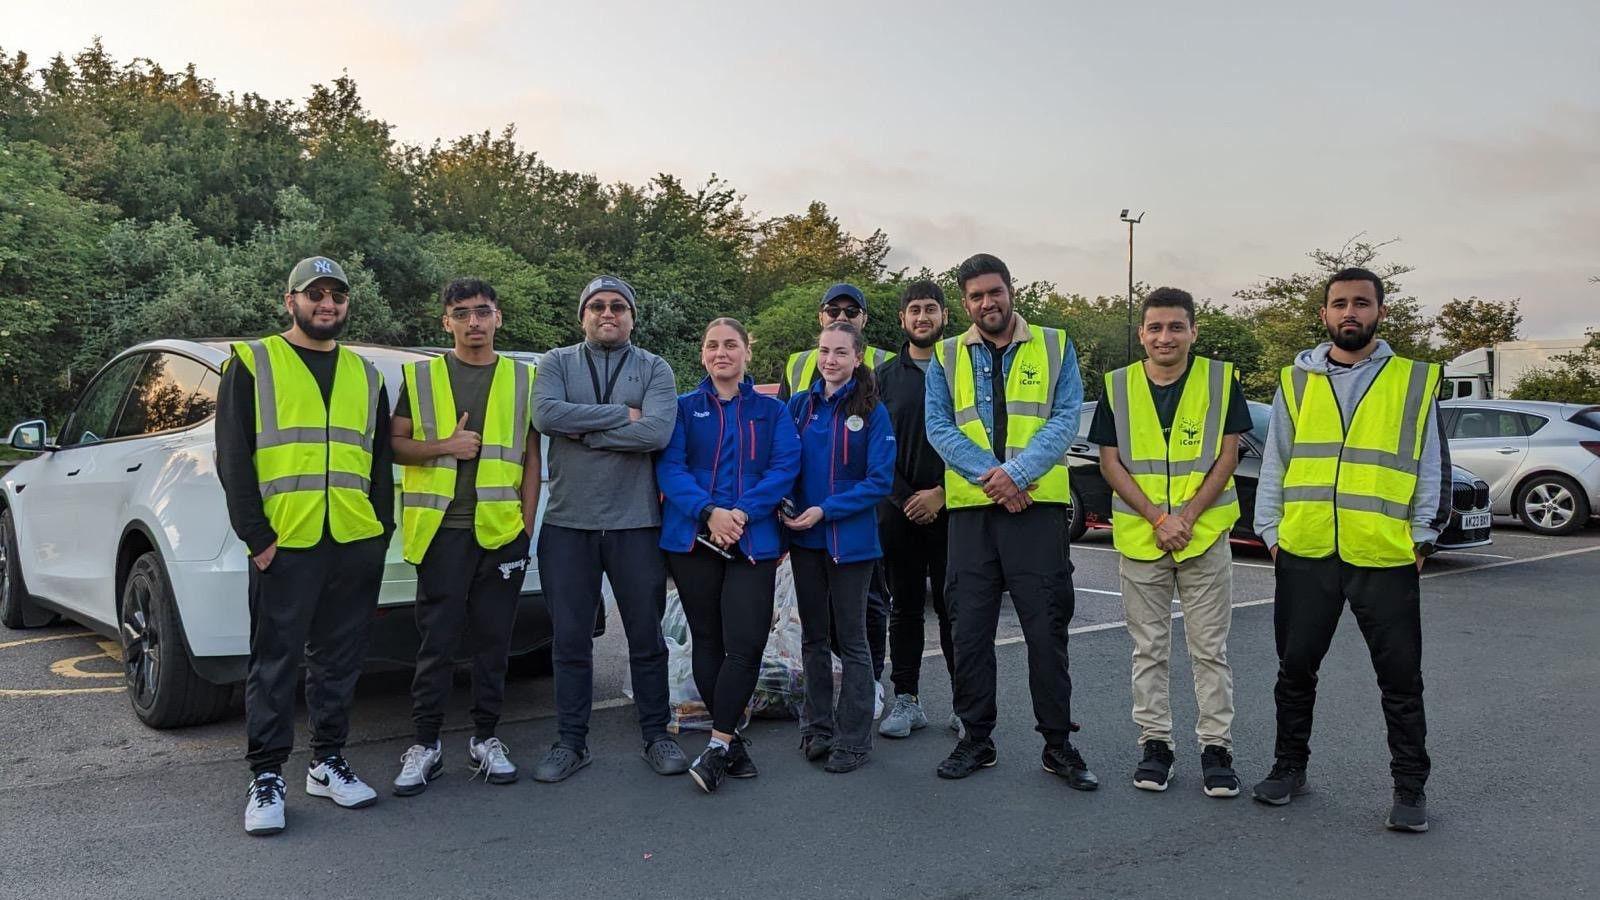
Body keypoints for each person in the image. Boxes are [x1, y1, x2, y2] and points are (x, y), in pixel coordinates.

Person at [1252, 267, 1449, 833]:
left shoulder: (1413, 381)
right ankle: (1289, 768)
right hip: (1307, 551)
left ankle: (1409, 788)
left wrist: (1422, 537)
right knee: (1294, 670)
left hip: (1383, 554)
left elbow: (1431, 463)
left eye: (1361, 303)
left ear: (1379, 312)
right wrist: (1272, 531)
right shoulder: (1296, 382)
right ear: (1324, 315)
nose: (1350, 313)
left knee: (1400, 679)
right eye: (1339, 303)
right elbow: (1277, 461)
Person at [218, 256, 394, 836]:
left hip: (351, 539)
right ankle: (266, 775)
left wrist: (380, 534)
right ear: (288, 300)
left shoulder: (366, 374)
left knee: (339, 662)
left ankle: (327, 762)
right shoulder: (252, 362)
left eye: (337, 296)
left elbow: (378, 463)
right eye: (314, 294)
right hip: (285, 541)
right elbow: (234, 459)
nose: (327, 304)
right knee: (274, 663)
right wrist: (257, 538)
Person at [924, 253, 1096, 789]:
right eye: (975, 296)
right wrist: (994, 478)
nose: (986, 303)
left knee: (1046, 630)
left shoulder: (1055, 343)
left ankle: (1058, 745)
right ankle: (976, 740)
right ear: (964, 303)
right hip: (974, 514)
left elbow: (1066, 417)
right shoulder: (946, 355)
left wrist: (1018, 474)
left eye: (994, 292)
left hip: (1036, 512)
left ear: (1010, 290)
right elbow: (939, 426)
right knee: (969, 631)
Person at [529, 275, 690, 782]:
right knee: (571, 641)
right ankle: (570, 743)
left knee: (646, 637)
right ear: (583, 316)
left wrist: (586, 434)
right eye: (596, 306)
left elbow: (658, 431)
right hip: (568, 525)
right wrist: (621, 415)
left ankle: (656, 734)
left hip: (636, 524)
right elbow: (544, 414)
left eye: (618, 306)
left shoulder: (654, 367)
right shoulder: (556, 362)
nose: (607, 313)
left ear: (631, 317)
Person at [1092, 287, 1251, 796]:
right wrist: (1159, 518)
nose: (1165, 336)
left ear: (1193, 332)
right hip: (1143, 537)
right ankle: (1155, 744)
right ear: (1142, 334)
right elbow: (1110, 463)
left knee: (1210, 650)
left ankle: (1216, 748)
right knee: (1149, 649)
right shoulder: (1118, 386)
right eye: (1155, 327)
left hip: (1202, 535)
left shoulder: (1221, 380)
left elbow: (1228, 456)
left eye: (1176, 327)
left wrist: (1185, 517)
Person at [389, 278, 540, 795]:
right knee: (437, 641)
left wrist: (527, 518)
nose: (473, 322)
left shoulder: (525, 378)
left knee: (495, 642)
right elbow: (395, 445)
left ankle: (485, 738)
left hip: (502, 532)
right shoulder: (423, 376)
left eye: (482, 312)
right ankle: (426, 744)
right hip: (441, 530)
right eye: (461, 313)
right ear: (445, 322)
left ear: (498, 317)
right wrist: (445, 445)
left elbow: (532, 455)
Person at [656, 318, 801, 793]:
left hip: (753, 541)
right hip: (693, 540)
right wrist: (709, 512)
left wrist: (739, 514)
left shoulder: (773, 412)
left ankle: (717, 743)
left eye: (731, 345)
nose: (722, 352)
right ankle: (730, 742)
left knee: (746, 644)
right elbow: (671, 469)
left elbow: (784, 469)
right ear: (702, 355)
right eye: (713, 345)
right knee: (708, 641)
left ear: (746, 355)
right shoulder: (682, 409)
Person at [778, 283, 896, 715]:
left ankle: (854, 735)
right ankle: (817, 727)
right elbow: (782, 466)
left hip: (852, 543)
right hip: (805, 542)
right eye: (825, 352)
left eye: (841, 353)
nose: (830, 360)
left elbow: (878, 481)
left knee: (853, 641)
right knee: (813, 639)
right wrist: (783, 505)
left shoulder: (872, 411)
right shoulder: (797, 406)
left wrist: (825, 510)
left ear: (857, 357)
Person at [875, 280, 958, 739]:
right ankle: (907, 700)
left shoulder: (963, 369)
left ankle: (967, 705)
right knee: (904, 608)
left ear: (945, 316)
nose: (922, 317)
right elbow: (874, 449)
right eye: (914, 310)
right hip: (899, 511)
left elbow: (980, 439)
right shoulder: (883, 377)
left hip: (956, 508)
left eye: (930, 309)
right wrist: (908, 498)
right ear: (903, 319)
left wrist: (942, 493)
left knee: (956, 609)